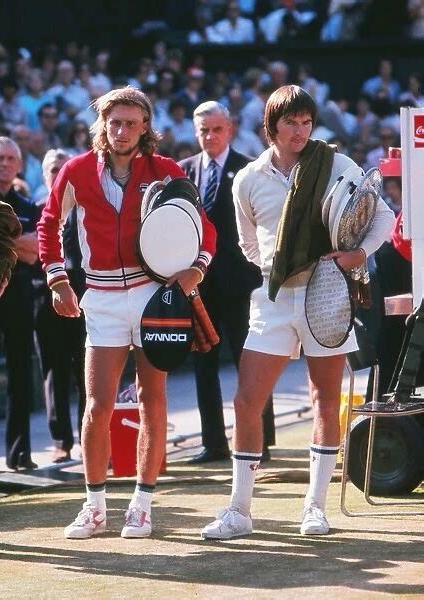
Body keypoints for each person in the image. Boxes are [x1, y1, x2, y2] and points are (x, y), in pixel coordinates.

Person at [201, 85, 395, 540]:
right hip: (274, 299)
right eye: (291, 122)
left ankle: (315, 508)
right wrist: (280, 265)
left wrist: (355, 255)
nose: (300, 130)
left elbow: (384, 217)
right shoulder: (246, 178)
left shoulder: (336, 164)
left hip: (328, 295)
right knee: (247, 400)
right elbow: (249, 245)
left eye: (306, 122)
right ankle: (239, 511)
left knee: (324, 399)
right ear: (271, 127)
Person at [37, 86, 216, 539]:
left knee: (151, 399)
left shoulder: (166, 170)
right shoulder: (75, 170)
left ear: (145, 128)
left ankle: (142, 505)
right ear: (103, 124)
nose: (120, 131)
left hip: (155, 296)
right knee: (97, 405)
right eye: (113, 121)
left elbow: (205, 228)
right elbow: (48, 223)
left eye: (130, 123)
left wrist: (197, 268)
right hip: (101, 298)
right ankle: (94, 507)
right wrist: (58, 280)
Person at [179, 101, 275, 464]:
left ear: (229, 130)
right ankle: (213, 442)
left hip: (242, 284)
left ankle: (259, 440)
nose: (210, 136)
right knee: (204, 364)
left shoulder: (248, 169)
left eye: (217, 129)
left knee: (249, 364)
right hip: (199, 286)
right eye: (203, 130)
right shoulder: (184, 172)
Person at [0, 136, 39, 474]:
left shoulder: (29, 207)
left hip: (18, 297)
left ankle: (20, 455)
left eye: (10, 158)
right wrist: (17, 242)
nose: (3, 163)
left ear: (19, 164)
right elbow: (24, 248)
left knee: (20, 376)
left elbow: (36, 251)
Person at [34, 149, 86, 463]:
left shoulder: (87, 211)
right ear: (44, 175)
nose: (58, 174)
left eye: (63, 168)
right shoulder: (40, 210)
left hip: (85, 297)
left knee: (87, 370)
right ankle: (61, 442)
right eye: (53, 169)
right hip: (45, 298)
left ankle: (88, 438)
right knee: (54, 372)